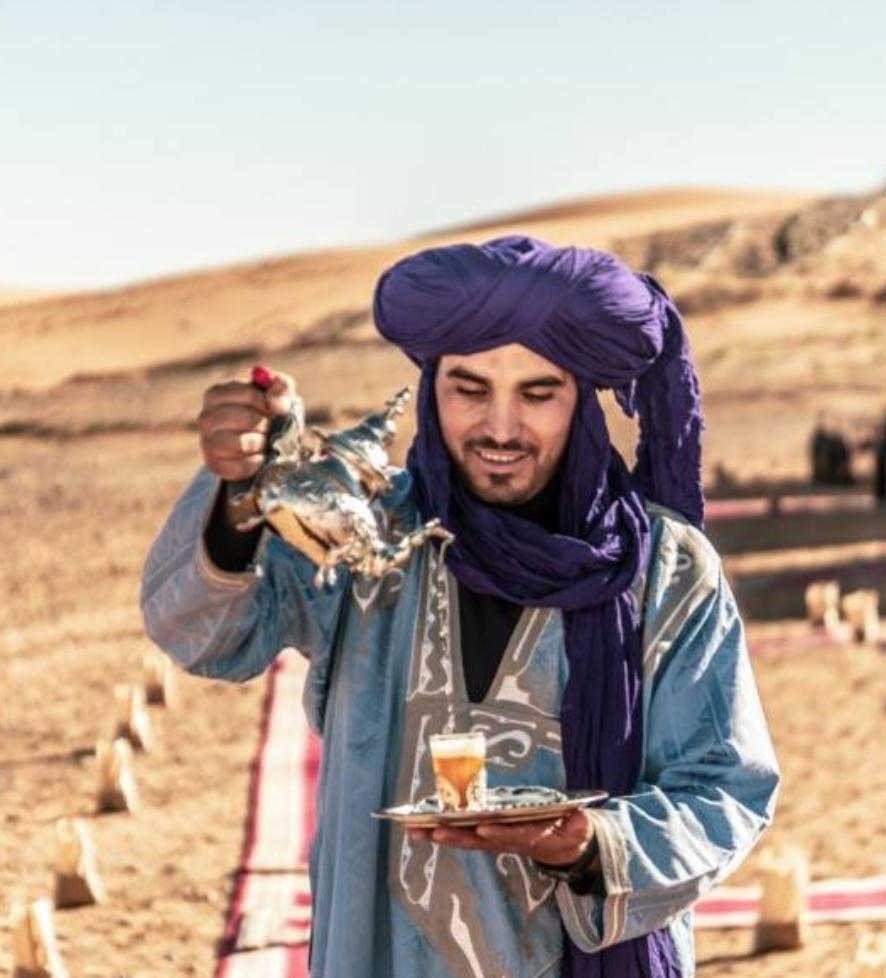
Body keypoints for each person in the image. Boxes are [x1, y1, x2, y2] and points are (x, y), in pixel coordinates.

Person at [141, 235, 780, 978]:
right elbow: (205, 636)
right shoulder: (370, 536)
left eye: (538, 394)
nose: (501, 427)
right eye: (469, 390)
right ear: (429, 387)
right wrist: (240, 495)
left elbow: (725, 788)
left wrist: (595, 844)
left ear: (582, 399)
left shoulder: (663, 567)